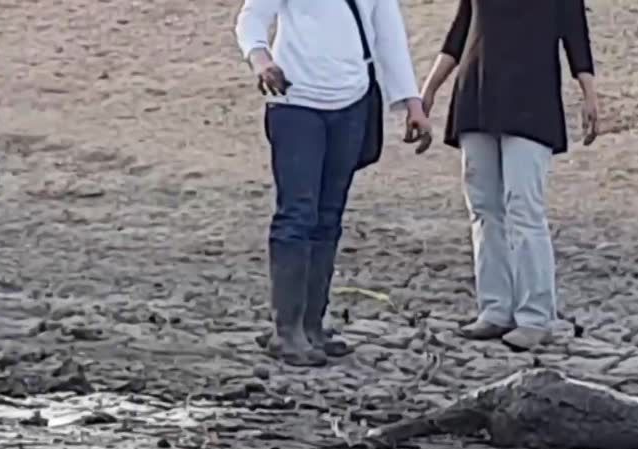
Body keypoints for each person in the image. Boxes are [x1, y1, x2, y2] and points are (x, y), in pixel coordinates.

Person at [235, 0, 433, 367]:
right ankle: (287, 329)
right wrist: (262, 61)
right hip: (295, 100)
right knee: (297, 214)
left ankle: (312, 324)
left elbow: (389, 37)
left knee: (328, 217)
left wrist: (412, 104)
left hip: (352, 100)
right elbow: (251, 18)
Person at [419, 0, 600, 351]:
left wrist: (589, 94)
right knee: (484, 209)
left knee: (523, 208)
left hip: (532, 100)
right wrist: (428, 91)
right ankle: (495, 309)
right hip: (476, 92)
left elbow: (575, 35)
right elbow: (460, 31)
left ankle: (535, 316)